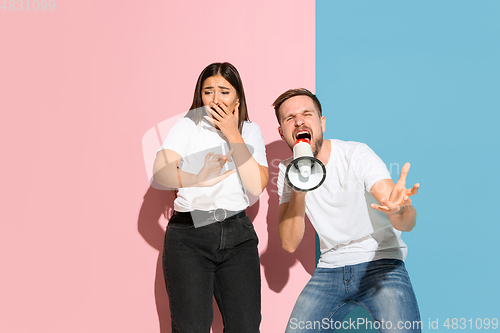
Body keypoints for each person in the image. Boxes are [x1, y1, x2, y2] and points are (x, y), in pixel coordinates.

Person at [273, 88, 421, 333]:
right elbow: (289, 243)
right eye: (290, 118)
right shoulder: (288, 172)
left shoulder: (356, 154)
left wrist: (398, 210)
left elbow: (407, 221)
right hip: (329, 268)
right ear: (282, 132)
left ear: (321, 122)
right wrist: (300, 185)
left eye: (307, 114)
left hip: (380, 261)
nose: (299, 120)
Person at [152, 62, 268, 333]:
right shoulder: (187, 126)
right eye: (208, 91)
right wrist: (196, 177)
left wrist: (231, 132)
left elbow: (256, 185)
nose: (216, 99)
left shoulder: (250, 131)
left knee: (246, 327)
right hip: (189, 236)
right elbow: (160, 171)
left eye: (224, 91)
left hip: (238, 235)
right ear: (199, 95)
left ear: (238, 97)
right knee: (191, 327)